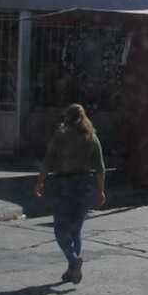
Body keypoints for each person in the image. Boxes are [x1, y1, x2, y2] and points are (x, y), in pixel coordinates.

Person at [33, 104, 105, 284]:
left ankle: (74, 260)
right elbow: (100, 168)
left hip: (63, 185)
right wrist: (100, 190)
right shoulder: (91, 137)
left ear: (67, 117)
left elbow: (48, 162)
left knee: (60, 229)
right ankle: (72, 270)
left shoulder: (60, 135)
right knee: (75, 230)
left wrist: (40, 182)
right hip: (84, 186)